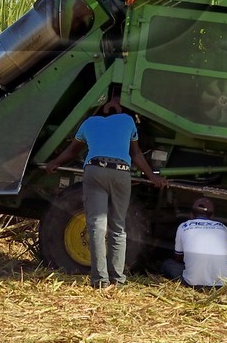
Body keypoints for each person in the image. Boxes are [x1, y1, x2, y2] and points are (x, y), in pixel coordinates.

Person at [42, 90, 167, 287]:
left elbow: (72, 151)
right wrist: (152, 177)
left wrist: (53, 164)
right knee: (118, 227)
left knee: (97, 227)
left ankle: (100, 280)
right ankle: (118, 279)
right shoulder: (127, 120)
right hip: (120, 173)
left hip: (95, 171)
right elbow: (136, 154)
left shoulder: (89, 123)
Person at [160, 196, 227, 288]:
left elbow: (178, 257)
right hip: (224, 284)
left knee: (167, 264)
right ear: (212, 216)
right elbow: (225, 255)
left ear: (191, 215)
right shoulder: (223, 227)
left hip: (193, 283)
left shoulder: (183, 226)